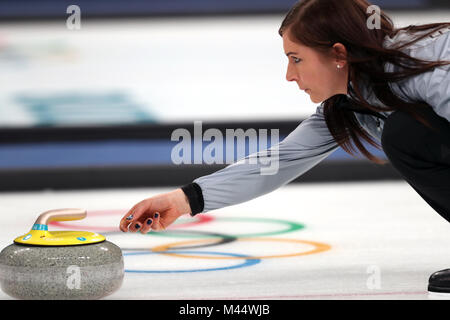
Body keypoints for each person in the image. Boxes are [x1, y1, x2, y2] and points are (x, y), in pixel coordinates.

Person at [119, 0, 450, 294]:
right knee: (407, 135)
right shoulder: (350, 101)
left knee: (405, 136)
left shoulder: (422, 69)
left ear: (338, 54)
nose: (289, 75)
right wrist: (183, 200)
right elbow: (278, 162)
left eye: (296, 59)